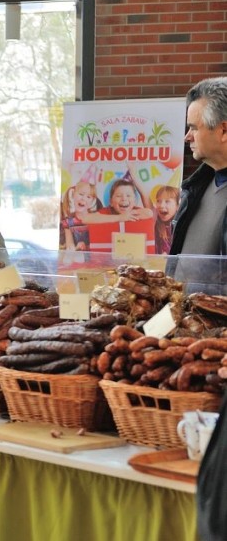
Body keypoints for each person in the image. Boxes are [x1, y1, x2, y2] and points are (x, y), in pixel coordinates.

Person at [170, 76, 227, 541]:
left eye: (193, 127)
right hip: (186, 333)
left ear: (223, 130)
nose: (186, 136)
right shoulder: (197, 185)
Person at [60, 180, 102, 250]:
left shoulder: (96, 220)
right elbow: (70, 247)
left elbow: (100, 244)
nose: (83, 198)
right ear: (73, 195)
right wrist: (77, 248)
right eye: (81, 194)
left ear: (93, 201)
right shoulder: (68, 223)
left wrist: (86, 247)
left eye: (88, 197)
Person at [153, 185, 179, 254]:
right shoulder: (155, 222)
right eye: (158, 201)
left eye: (167, 201)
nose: (161, 205)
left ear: (178, 206)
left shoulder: (180, 226)